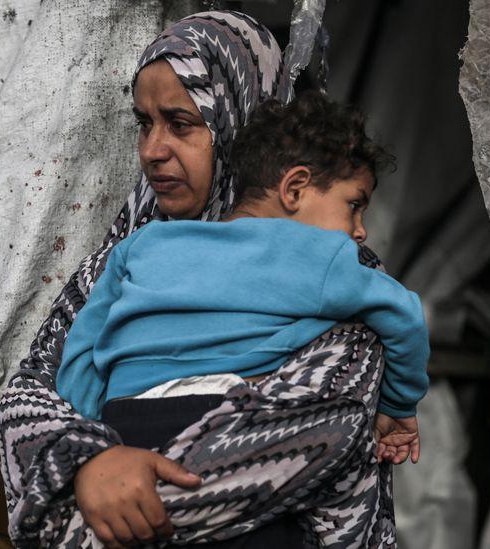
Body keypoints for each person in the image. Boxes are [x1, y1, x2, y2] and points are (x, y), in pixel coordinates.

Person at [0, 11, 400, 548]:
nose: (151, 150)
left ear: (238, 119)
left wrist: (93, 502)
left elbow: (316, 426)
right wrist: (87, 465)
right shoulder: (125, 258)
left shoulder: (341, 270)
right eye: (144, 123)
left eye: (181, 124)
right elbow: (29, 397)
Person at [56, 90, 428, 478]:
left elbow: (82, 350)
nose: (360, 230)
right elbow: (405, 316)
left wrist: (96, 436)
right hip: (222, 427)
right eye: (354, 205)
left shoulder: (140, 245)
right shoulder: (323, 256)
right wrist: (399, 406)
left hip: (123, 424)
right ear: (295, 188)